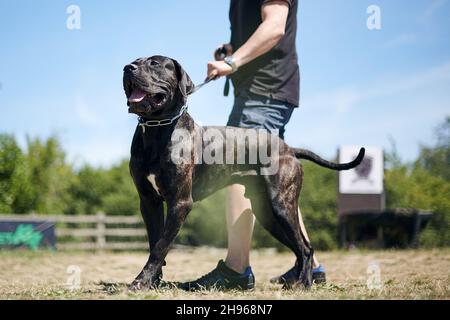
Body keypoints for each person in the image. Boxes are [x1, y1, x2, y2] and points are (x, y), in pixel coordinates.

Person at [180, 0, 326, 291]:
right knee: (274, 181)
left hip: (264, 93)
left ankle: (236, 270)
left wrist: (231, 63)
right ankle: (309, 265)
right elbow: (261, 31)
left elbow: (274, 27)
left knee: (239, 173)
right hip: (257, 93)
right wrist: (233, 50)